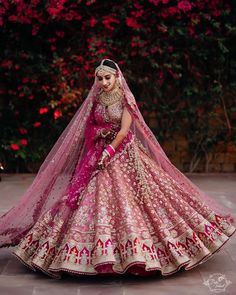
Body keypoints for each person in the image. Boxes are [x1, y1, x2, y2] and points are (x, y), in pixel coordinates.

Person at [0, 59, 235, 279]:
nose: (103, 83)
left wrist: (108, 151)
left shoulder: (125, 100)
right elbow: (89, 126)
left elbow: (124, 131)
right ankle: (85, 255)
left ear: (117, 78)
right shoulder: (96, 99)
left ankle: (140, 253)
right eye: (99, 79)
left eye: (107, 78)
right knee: (87, 198)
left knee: (139, 199)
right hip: (97, 153)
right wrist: (97, 142)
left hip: (124, 154)